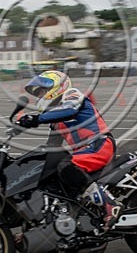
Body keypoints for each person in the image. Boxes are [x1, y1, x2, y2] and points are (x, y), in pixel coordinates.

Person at [18, 70, 122, 231]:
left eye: (43, 90)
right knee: (49, 174)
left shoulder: (71, 95)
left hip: (99, 144)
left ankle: (109, 204)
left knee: (65, 167)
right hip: (85, 151)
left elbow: (70, 111)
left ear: (57, 86)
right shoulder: (55, 120)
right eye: (38, 93)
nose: (40, 95)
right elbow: (51, 146)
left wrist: (36, 119)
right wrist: (26, 161)